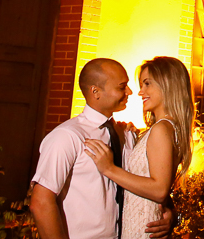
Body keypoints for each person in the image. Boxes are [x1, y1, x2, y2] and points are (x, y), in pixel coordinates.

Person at [28, 58, 175, 239]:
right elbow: (41, 202)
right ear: (95, 92)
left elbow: (145, 182)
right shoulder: (67, 136)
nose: (130, 92)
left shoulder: (126, 134)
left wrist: (169, 212)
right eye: (122, 87)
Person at [83, 57, 194, 239]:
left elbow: (159, 190)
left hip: (142, 232)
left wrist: (109, 169)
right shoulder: (167, 128)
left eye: (147, 84)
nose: (141, 92)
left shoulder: (161, 129)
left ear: (168, 85)